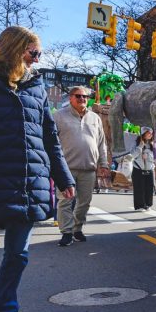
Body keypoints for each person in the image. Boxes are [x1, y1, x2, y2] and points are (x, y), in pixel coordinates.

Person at [0, 26, 75, 312]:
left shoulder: (36, 87)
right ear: (14, 49)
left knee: (17, 254)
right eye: (33, 53)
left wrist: (63, 176)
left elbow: (50, 137)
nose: (37, 61)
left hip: (29, 183)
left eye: (39, 54)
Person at [53, 85, 109, 246]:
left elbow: (101, 143)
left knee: (84, 202)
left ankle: (77, 229)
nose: (82, 99)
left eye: (85, 97)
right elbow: (52, 143)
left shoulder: (95, 118)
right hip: (66, 169)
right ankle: (66, 232)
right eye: (78, 96)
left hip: (89, 169)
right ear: (70, 98)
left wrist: (103, 163)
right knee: (65, 201)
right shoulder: (58, 116)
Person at [130, 127, 155, 211]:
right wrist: (140, 147)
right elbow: (133, 155)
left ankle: (148, 204)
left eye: (151, 133)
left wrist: (148, 155)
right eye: (148, 133)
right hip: (138, 168)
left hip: (150, 168)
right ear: (143, 134)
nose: (150, 135)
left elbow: (155, 157)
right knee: (139, 187)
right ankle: (139, 206)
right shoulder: (136, 143)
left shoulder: (152, 144)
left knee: (149, 187)